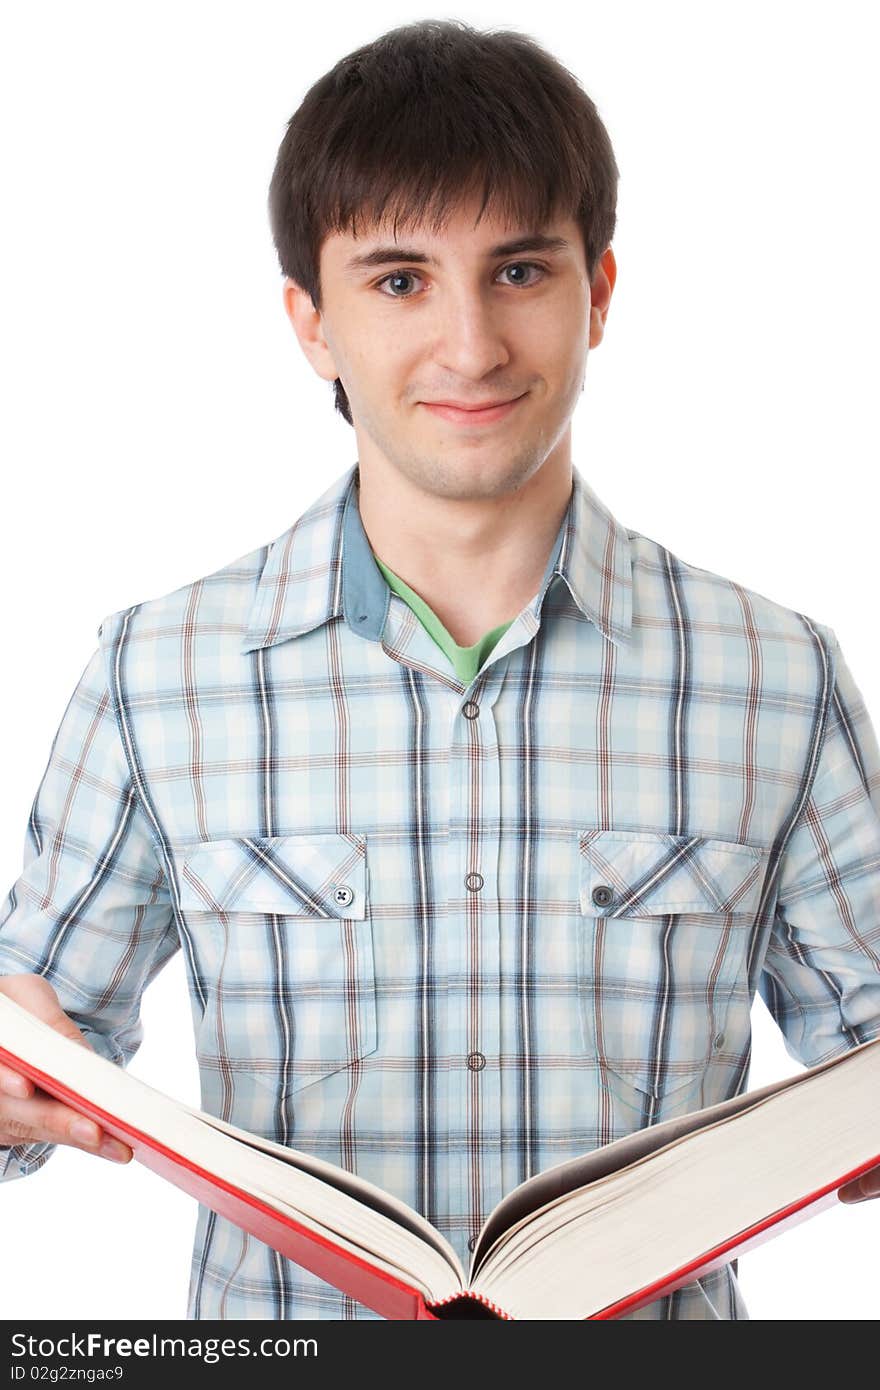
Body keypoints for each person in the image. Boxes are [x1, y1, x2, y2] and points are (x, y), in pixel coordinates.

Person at [1, 18, 878, 1322]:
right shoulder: (156, 674)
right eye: (401, 280)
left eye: (518, 269)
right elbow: (37, 1058)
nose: (470, 346)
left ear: (602, 290)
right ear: (311, 320)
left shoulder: (776, 678)